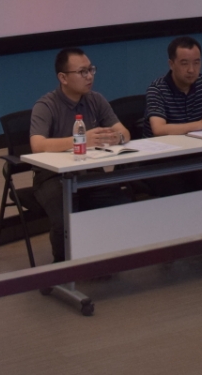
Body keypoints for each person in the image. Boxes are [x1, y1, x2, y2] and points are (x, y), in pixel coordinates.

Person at [29, 48, 131, 262]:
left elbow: (124, 132)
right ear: (63, 78)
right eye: (82, 72)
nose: (89, 76)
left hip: (90, 171)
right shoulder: (46, 105)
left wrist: (117, 138)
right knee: (64, 219)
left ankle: (103, 261)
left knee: (119, 205)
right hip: (52, 177)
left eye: (91, 70)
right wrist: (80, 141)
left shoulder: (96, 100)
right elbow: (37, 145)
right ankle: (63, 267)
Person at [145, 36, 202, 136]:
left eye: (196, 63)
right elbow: (159, 129)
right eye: (184, 64)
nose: (191, 70)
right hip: (166, 145)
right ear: (171, 64)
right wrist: (201, 124)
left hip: (197, 145)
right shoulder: (157, 89)